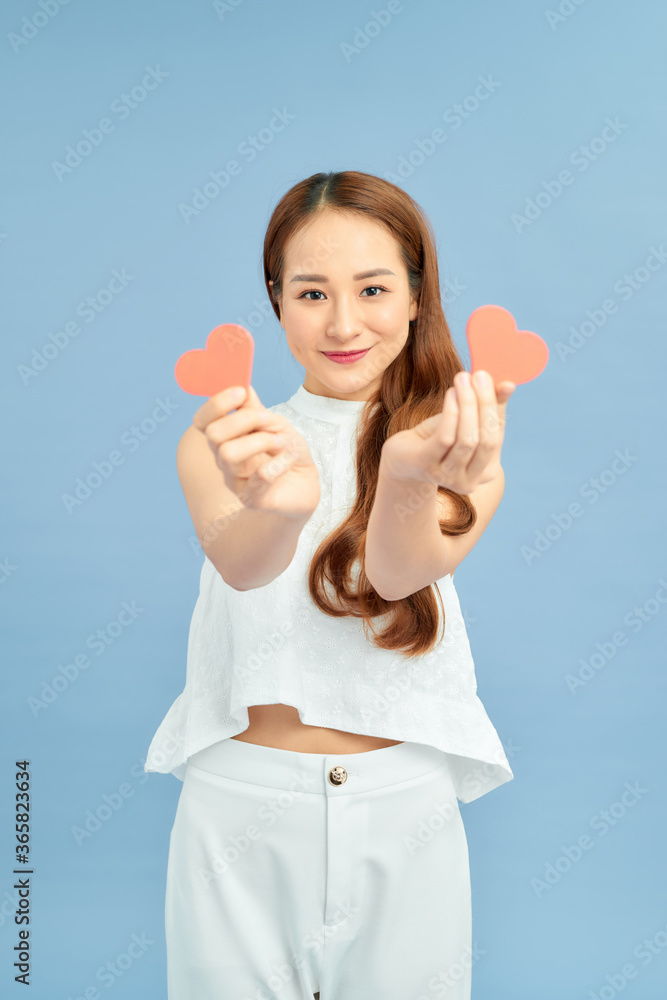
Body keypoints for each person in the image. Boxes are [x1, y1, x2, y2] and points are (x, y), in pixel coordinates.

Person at [144, 170, 516, 1000]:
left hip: (404, 814)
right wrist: (279, 508)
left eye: (374, 289)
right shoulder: (228, 440)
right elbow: (244, 564)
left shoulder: (459, 450)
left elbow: (397, 572)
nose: (343, 323)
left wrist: (405, 472)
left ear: (417, 297)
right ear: (275, 301)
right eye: (311, 292)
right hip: (238, 812)